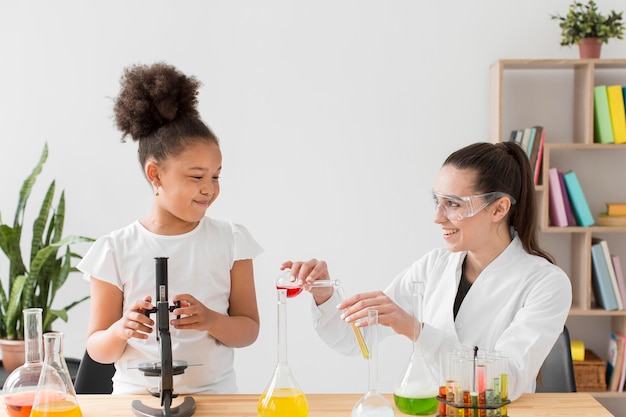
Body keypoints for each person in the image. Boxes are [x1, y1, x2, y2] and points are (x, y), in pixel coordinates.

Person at [282, 141, 572, 401]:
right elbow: (351, 342)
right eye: (437, 201)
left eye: (453, 204)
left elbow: (503, 383)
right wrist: (323, 293)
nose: (437, 217)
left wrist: (416, 330)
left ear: (498, 209)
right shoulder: (432, 268)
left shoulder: (546, 283)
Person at [77, 62, 263, 395]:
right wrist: (121, 329)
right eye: (196, 176)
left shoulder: (231, 240)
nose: (209, 188)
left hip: (215, 397)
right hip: (133, 399)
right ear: (156, 175)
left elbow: (248, 330)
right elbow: (98, 348)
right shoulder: (115, 249)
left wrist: (210, 320)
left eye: (216, 175)